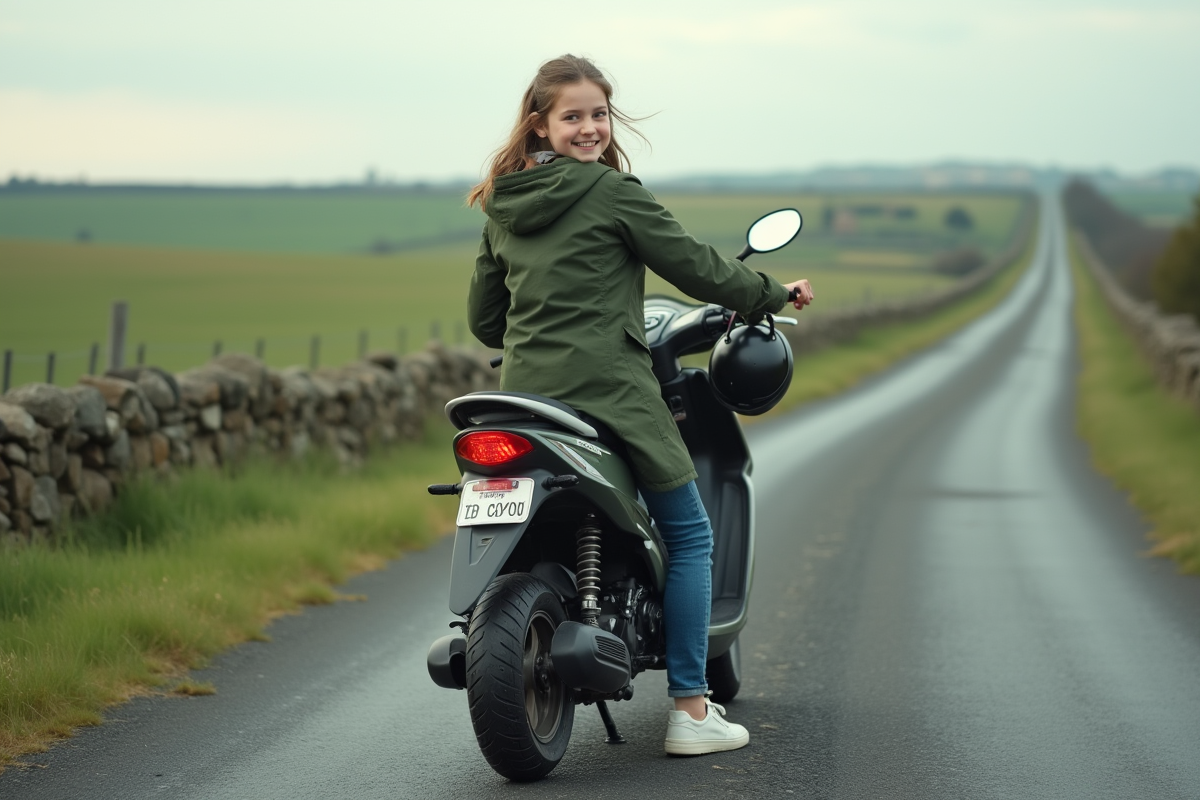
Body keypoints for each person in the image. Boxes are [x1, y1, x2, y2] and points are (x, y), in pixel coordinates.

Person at [466, 54, 814, 756]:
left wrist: (545, 325)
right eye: (574, 116)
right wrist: (773, 294)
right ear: (542, 122)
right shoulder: (610, 192)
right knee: (689, 535)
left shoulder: (501, 203)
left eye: (599, 114)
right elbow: (693, 264)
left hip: (528, 397)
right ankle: (690, 709)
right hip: (611, 391)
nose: (590, 127)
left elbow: (486, 320)